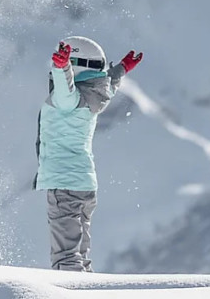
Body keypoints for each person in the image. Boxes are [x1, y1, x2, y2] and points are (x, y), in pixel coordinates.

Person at [35, 36, 142, 272]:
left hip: (64, 184)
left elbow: (64, 90)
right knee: (80, 255)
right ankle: (88, 297)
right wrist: (120, 69)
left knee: (67, 258)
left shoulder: (68, 100)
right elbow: (109, 85)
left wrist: (61, 68)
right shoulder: (95, 96)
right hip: (84, 185)